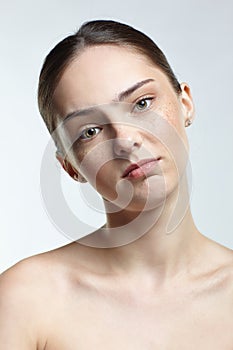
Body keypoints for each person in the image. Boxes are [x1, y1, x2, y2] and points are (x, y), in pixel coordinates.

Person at [0, 19, 233, 349]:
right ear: (69, 166)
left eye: (141, 103)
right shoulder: (25, 302)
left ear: (185, 104)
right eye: (89, 132)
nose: (125, 141)